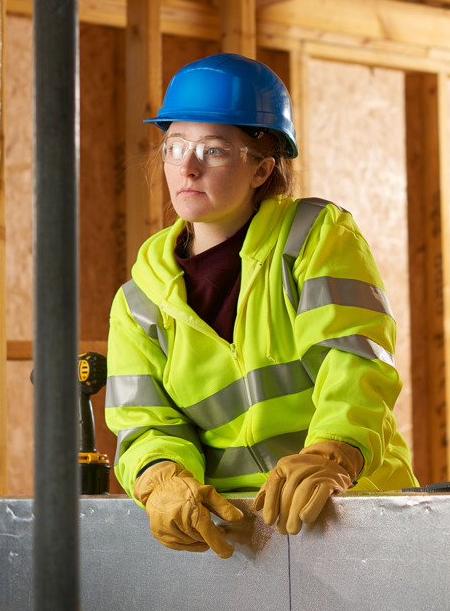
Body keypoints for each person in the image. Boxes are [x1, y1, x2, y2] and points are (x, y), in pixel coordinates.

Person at [105, 53, 418, 559]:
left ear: (262, 169)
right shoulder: (138, 303)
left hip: (355, 518)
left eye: (214, 150)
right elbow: (145, 424)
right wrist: (161, 478)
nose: (186, 166)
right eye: (175, 146)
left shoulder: (314, 237)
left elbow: (355, 360)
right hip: (236, 538)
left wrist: (332, 451)